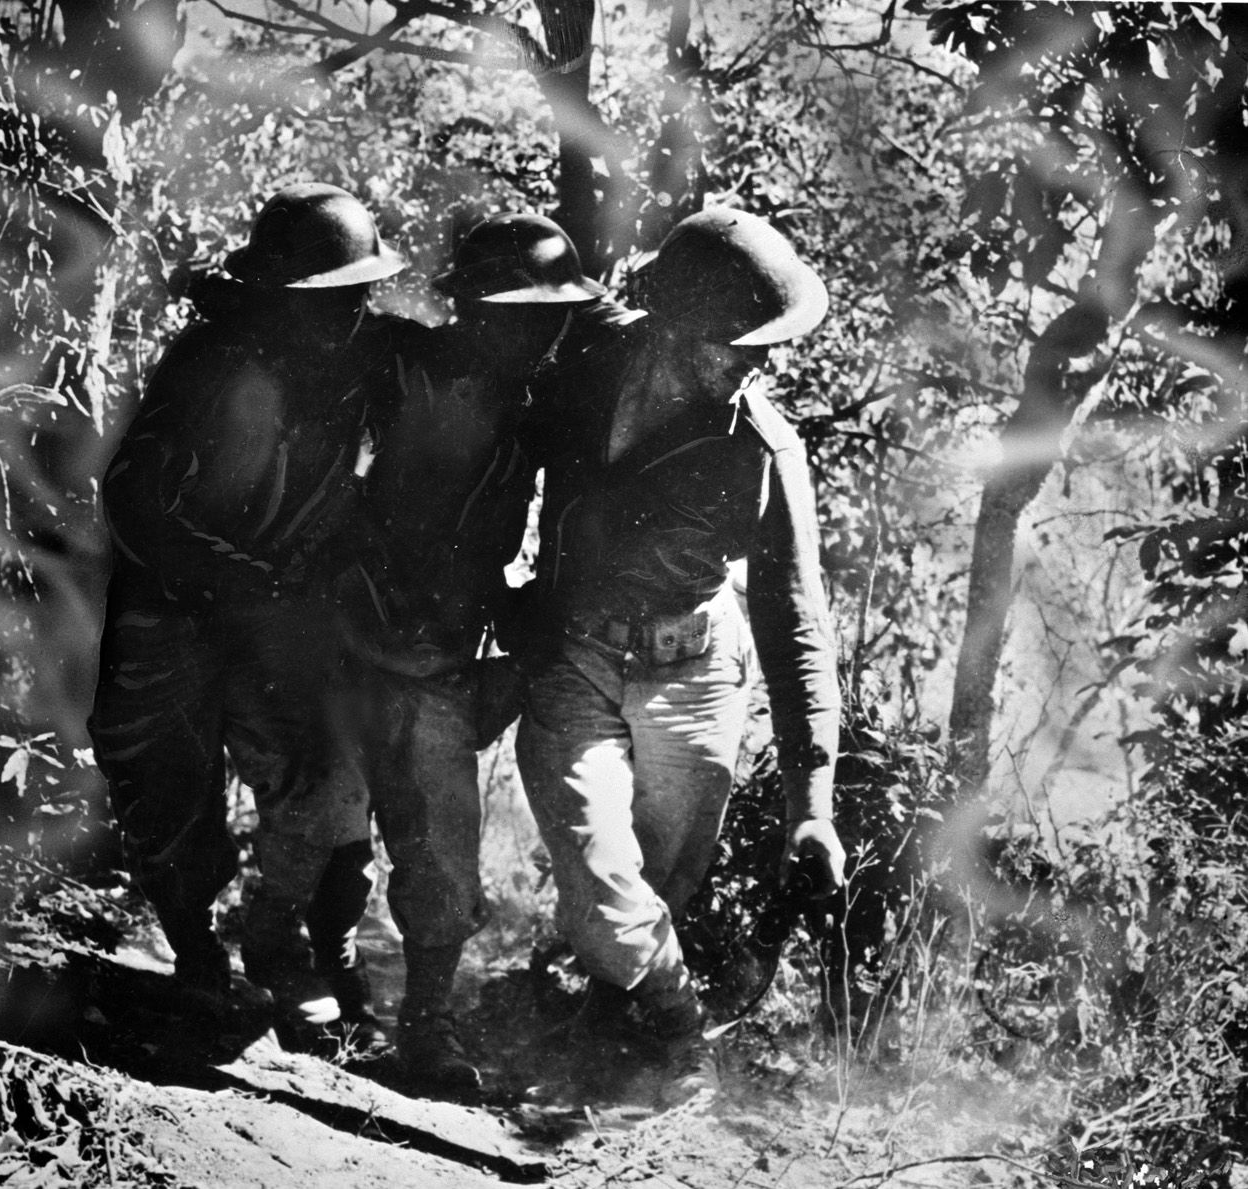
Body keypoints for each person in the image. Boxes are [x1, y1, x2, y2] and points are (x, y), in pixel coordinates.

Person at [515, 206, 845, 1106]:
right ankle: (680, 1027)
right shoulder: (580, 362)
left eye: (770, 344)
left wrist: (810, 807)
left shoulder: (765, 451)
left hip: (698, 674)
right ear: (671, 322)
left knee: (662, 878)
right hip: (576, 656)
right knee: (604, 873)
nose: (761, 363)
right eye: (741, 341)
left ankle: (598, 1043)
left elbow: (797, 623)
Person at [88, 182, 404, 1031]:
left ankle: (313, 953)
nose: (346, 316)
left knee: (331, 781)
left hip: (283, 613)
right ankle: (197, 955)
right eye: (325, 301)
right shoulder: (209, 366)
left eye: (356, 298)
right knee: (167, 786)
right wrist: (232, 579)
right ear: (275, 301)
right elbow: (134, 497)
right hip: (175, 610)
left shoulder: (361, 366)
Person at [330, 213, 606, 1091]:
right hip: (341, 636)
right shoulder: (396, 362)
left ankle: (427, 1024)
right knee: (326, 831)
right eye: (523, 313)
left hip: (442, 653)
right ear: (477, 310)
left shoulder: (534, 414)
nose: (543, 330)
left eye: (550, 315)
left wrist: (516, 620)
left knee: (444, 847)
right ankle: (323, 979)